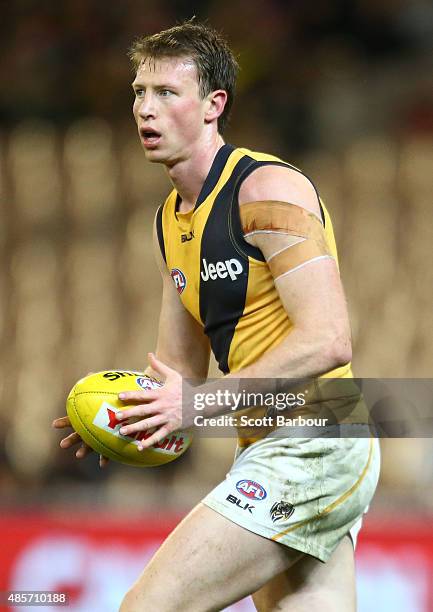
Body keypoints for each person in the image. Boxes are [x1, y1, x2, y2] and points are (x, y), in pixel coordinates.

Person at [53, 20, 380, 611]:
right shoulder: (169, 220)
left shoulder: (268, 189)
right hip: (263, 443)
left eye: (166, 94)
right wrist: (123, 418)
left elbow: (329, 340)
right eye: (137, 93)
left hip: (318, 439)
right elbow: (179, 376)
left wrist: (194, 404)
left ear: (213, 105)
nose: (144, 110)